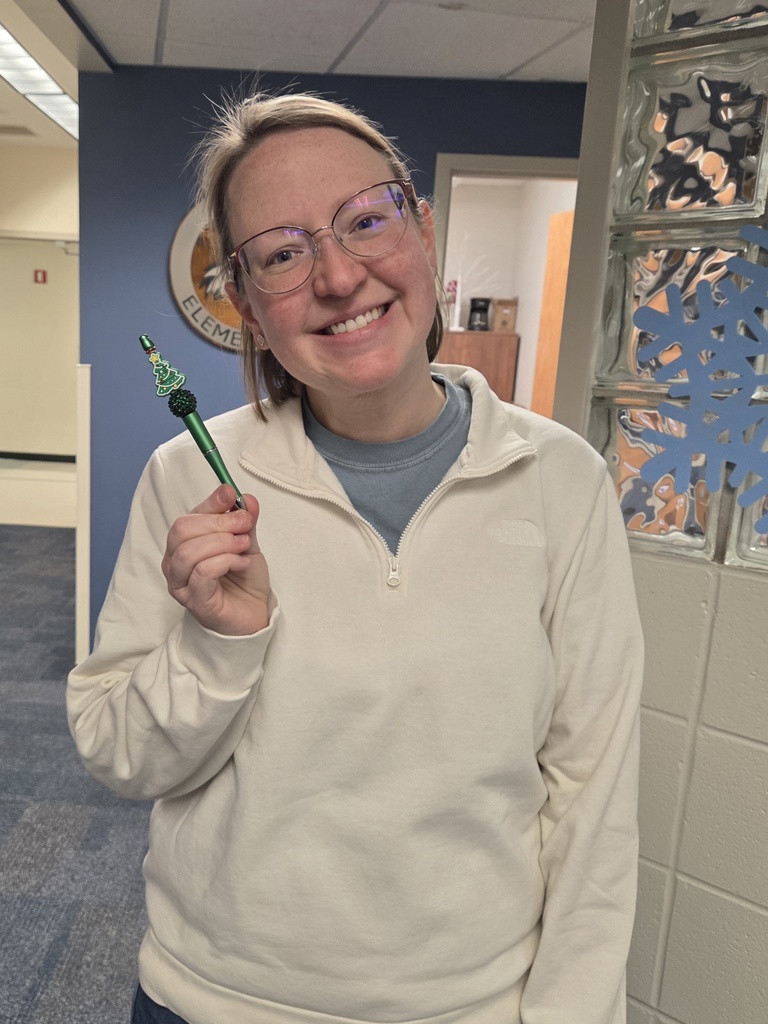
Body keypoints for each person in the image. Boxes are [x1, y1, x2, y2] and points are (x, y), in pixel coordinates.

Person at [67, 91, 643, 1024]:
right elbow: (118, 754)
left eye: (366, 221)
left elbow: (594, 797)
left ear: (424, 230)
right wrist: (221, 645)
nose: (338, 276)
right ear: (249, 305)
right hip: (212, 1002)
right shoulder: (189, 478)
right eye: (283, 255)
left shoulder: (560, 481)